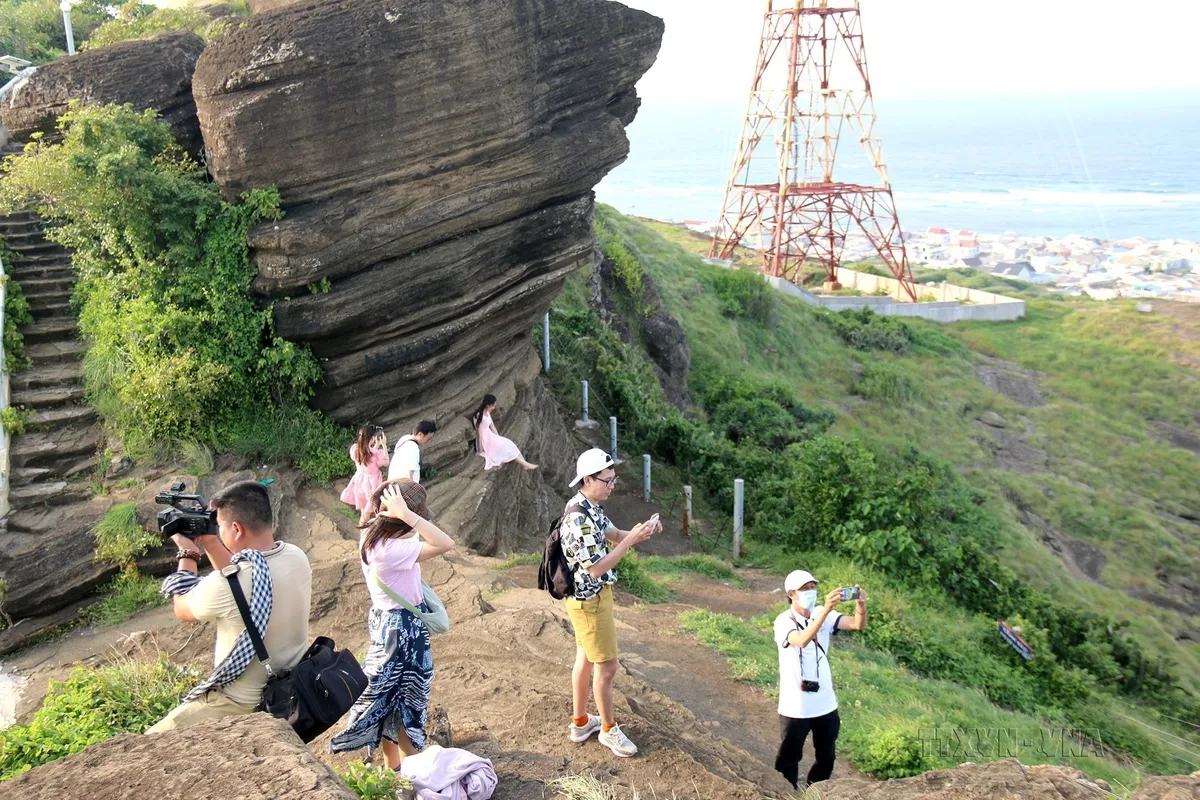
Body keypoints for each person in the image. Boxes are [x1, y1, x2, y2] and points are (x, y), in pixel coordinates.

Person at [148, 480, 312, 733]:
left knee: (150, 741)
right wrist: (212, 543)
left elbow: (182, 607)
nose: (218, 531)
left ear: (236, 528)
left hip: (238, 702)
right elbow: (237, 580)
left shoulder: (223, 586)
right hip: (288, 687)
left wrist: (188, 554)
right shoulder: (296, 556)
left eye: (219, 526)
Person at [330, 479, 455, 769]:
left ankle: (394, 768)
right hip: (405, 632)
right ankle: (417, 774)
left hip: (387, 624)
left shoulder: (373, 538)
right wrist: (408, 514)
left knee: (390, 701)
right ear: (399, 520)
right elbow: (445, 543)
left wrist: (393, 512)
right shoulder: (391, 551)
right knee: (409, 703)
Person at [559, 448, 662, 758]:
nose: (613, 485)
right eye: (608, 480)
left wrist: (638, 533)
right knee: (608, 667)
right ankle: (608, 729)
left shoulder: (589, 506)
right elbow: (597, 567)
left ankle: (580, 723)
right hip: (589, 601)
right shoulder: (579, 519)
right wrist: (629, 542)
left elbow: (615, 534)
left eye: (614, 479)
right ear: (588, 479)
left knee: (586, 658)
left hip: (589, 598)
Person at [773, 569, 868, 790]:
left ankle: (816, 791)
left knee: (827, 756)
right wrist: (825, 610)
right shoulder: (783, 621)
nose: (811, 592)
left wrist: (860, 605)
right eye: (804, 589)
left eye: (813, 587)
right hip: (796, 706)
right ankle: (784, 792)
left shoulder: (822, 613)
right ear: (791, 594)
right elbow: (802, 639)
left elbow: (857, 624)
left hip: (825, 703)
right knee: (788, 757)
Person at [472, 394, 538, 471]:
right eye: (493, 405)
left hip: (490, 436)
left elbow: (492, 426)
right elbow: (479, 433)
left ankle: (524, 463)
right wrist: (480, 450)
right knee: (507, 448)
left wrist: (498, 438)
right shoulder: (479, 415)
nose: (494, 407)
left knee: (510, 443)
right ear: (487, 405)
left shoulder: (487, 413)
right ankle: (524, 464)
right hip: (485, 439)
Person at [342, 425, 389, 514]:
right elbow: (386, 462)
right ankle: (363, 524)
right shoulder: (376, 454)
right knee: (370, 511)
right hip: (372, 484)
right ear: (372, 438)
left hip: (359, 482)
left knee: (364, 508)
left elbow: (368, 455)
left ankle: (363, 526)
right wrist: (383, 445)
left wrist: (376, 445)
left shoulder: (355, 449)